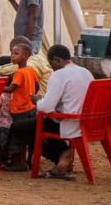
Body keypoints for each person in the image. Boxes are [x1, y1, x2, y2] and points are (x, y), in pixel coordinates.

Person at [34, 44, 93, 180]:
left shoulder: (59, 75)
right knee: (36, 123)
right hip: (87, 121)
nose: (52, 68)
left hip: (69, 122)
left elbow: (46, 107)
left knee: (22, 128)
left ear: (57, 60)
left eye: (51, 64)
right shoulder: (86, 72)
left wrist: (37, 101)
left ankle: (62, 156)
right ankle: (64, 155)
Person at [1, 37, 39, 170]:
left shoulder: (19, 72)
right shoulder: (31, 70)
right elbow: (37, 86)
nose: (12, 56)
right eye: (12, 53)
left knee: (17, 137)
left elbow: (11, 88)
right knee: (29, 136)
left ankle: (18, 162)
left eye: (16, 54)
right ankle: (28, 161)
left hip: (20, 109)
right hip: (30, 107)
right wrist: (30, 95)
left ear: (26, 56)